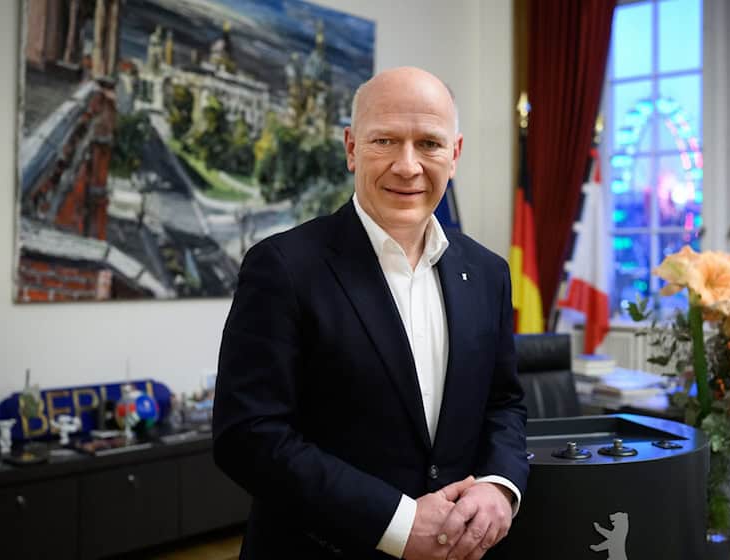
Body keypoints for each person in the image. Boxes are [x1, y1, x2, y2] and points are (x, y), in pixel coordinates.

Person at [213, 66, 529, 560]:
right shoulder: (283, 266)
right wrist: (399, 523)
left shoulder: (488, 273)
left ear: (456, 153)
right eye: (385, 140)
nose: (408, 166)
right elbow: (249, 435)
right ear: (351, 148)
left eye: (429, 143)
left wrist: (499, 484)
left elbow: (503, 403)